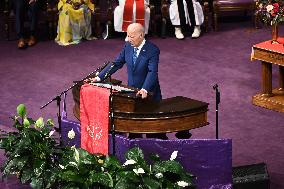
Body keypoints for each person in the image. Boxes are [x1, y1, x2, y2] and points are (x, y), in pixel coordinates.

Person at [90, 23, 166, 139]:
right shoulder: (127, 47)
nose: (128, 39)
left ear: (141, 35)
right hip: (132, 94)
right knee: (134, 129)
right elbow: (116, 64)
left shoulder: (152, 50)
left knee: (153, 130)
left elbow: (152, 72)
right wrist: (99, 77)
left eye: (132, 36)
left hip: (150, 95)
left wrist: (145, 88)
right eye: (127, 36)